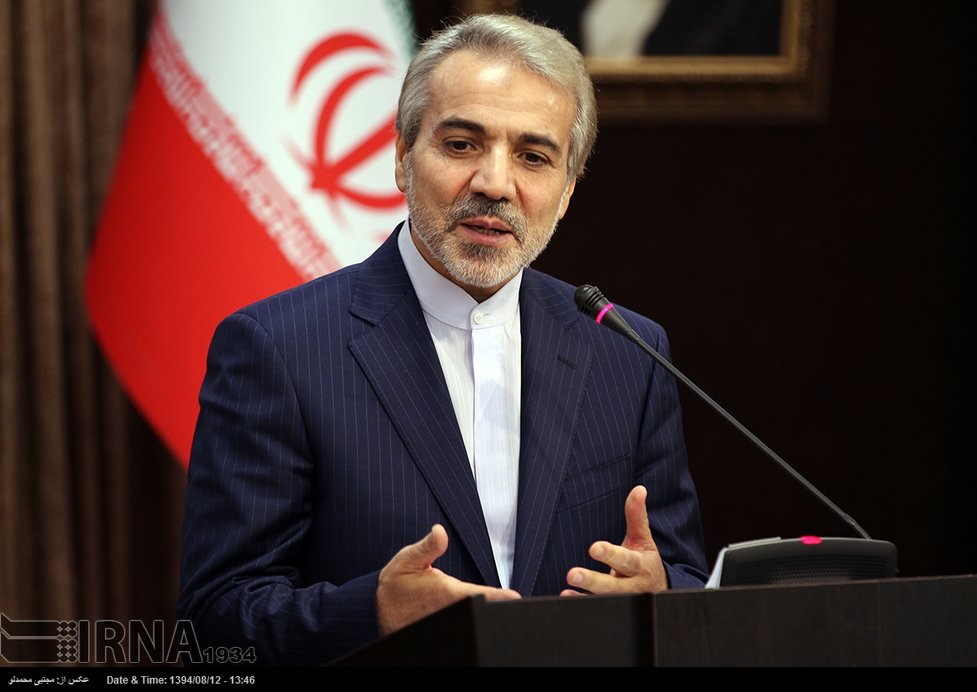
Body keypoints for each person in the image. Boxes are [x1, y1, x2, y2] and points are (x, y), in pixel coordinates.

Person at [177, 13, 707, 666]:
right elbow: (214, 620)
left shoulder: (628, 352)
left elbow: (683, 575)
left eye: (534, 157)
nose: (494, 183)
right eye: (461, 145)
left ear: (567, 190)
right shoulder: (277, 349)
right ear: (402, 157)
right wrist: (371, 611)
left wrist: (663, 593)